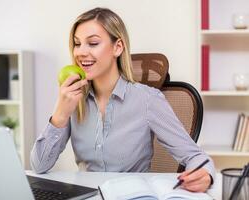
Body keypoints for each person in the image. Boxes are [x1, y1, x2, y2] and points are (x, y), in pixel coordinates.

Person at [30, 7, 215, 192]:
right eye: (77, 44)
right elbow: (39, 165)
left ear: (117, 47)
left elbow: (196, 157)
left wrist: (205, 175)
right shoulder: (72, 99)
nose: (80, 52)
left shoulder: (147, 100)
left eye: (93, 43)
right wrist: (60, 115)